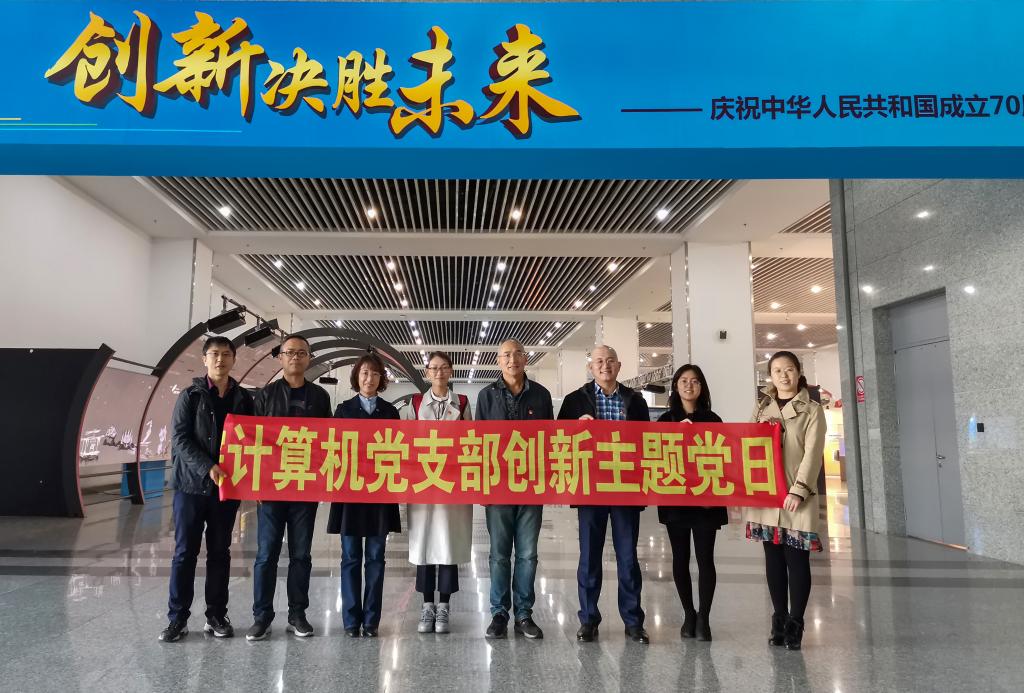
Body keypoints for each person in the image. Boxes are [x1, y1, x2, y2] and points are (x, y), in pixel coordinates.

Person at [159, 336, 254, 642]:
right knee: (185, 552)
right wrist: (207, 466)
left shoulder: (244, 398)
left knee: (220, 552)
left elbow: (254, 439)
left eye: (226, 354)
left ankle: (216, 615)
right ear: (204, 359)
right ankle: (177, 618)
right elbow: (180, 438)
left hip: (226, 489)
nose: (220, 360)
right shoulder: (191, 396)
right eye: (214, 354)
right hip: (191, 486)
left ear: (234, 359)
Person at [558, 345, 650, 644]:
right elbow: (557, 439)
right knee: (589, 556)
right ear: (590, 367)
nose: (604, 366)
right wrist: (576, 429)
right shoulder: (574, 401)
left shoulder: (635, 400)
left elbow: (648, 441)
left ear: (619, 366)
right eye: (598, 361)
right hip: (590, 487)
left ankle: (633, 621)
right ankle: (588, 619)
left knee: (628, 557)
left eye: (610, 361)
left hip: (626, 487)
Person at [246, 335, 333, 641]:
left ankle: (297, 614)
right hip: (271, 489)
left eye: (301, 353)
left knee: (301, 555)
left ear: (309, 358)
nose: (295, 357)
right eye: (289, 352)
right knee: (266, 554)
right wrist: (255, 483)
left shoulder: (320, 397)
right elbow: (252, 440)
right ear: (280, 357)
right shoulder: (265, 395)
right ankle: (262, 616)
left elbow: (328, 440)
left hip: (305, 489)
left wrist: (323, 480)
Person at [745, 351, 826, 651]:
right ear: (770, 375)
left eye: (789, 369)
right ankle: (778, 619)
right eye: (777, 370)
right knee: (773, 560)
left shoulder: (812, 410)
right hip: (767, 495)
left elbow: (812, 454)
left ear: (798, 372)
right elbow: (748, 443)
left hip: (796, 497)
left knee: (797, 560)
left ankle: (796, 623)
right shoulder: (761, 407)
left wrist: (798, 490)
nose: (783, 375)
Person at [476, 338, 553, 639]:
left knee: (528, 554)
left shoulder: (541, 395)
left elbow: (550, 440)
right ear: (498, 361)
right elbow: (478, 443)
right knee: (498, 555)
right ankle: (499, 613)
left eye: (517, 354)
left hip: (531, 487)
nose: (512, 360)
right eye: (506, 355)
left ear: (525, 358)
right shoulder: (486, 396)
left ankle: (523, 614)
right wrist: (483, 486)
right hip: (498, 487)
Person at [328, 352, 402, 638]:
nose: (369, 378)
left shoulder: (390, 412)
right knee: (350, 557)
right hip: (349, 494)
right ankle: (350, 620)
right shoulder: (343, 410)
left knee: (375, 557)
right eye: (364, 373)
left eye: (375, 373)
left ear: (382, 379)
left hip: (379, 495)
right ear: (357, 377)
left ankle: (371, 620)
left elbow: (399, 452)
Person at [402, 351, 472, 635]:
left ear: (451, 371)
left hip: (452, 485)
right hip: (423, 483)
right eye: (434, 368)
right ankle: (426, 604)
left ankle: (444, 605)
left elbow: (471, 442)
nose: (439, 372)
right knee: (423, 545)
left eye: (444, 368)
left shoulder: (463, 403)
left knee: (448, 543)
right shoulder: (415, 403)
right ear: (427, 372)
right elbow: (404, 441)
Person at [656, 364, 725, 642]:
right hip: (675, 498)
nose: (689, 385)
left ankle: (704, 618)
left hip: (706, 498)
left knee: (706, 558)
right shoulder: (665, 421)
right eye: (683, 380)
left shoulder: (713, 420)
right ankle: (688, 614)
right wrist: (676, 434)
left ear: (702, 387)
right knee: (680, 557)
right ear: (675, 386)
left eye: (695, 381)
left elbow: (724, 456)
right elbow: (654, 457)